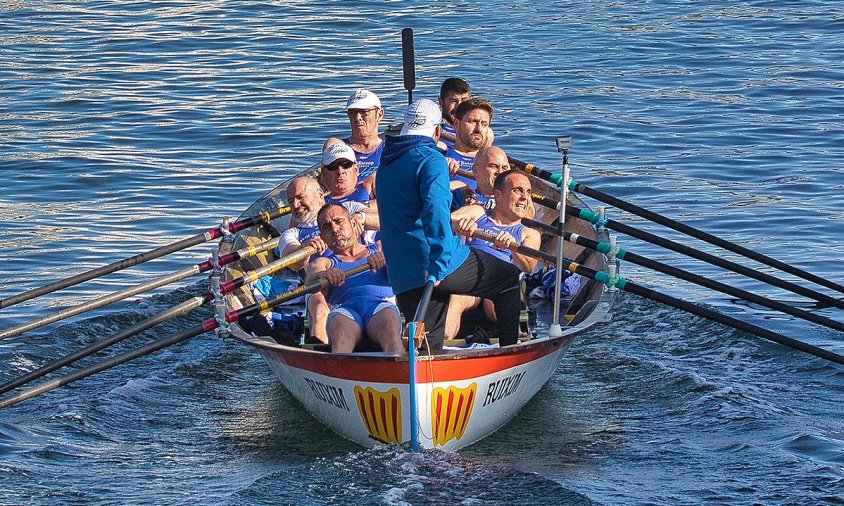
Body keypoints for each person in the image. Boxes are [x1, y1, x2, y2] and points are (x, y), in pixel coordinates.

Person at [376, 98, 522, 354]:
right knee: (508, 279)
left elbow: (409, 206)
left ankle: (424, 383)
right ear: (437, 131)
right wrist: (441, 260)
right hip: (437, 263)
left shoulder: (387, 164)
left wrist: (453, 199)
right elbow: (433, 209)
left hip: (402, 271)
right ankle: (510, 356)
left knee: (428, 350)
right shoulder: (432, 160)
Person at [445, 170, 542, 339]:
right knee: (457, 298)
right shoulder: (477, 213)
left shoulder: (529, 233)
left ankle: (516, 335)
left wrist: (514, 246)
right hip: (470, 277)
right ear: (498, 195)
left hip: (502, 281)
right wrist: (461, 223)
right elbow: (443, 221)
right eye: (517, 191)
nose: (524, 198)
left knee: (499, 299)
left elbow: (529, 266)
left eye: (528, 192)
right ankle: (441, 343)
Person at [304, 203, 403, 354]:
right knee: (340, 332)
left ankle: (399, 370)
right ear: (323, 237)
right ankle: (341, 372)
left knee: (389, 324)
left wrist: (389, 260)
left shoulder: (382, 248)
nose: (334, 229)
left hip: (381, 306)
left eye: (339, 221)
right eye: (327, 227)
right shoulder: (324, 263)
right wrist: (323, 275)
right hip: (345, 311)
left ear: (353, 223)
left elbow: (408, 263)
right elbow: (311, 278)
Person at [446, 98, 495, 190]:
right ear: (457, 124)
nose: (479, 129)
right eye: (473, 122)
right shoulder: (441, 158)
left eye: (484, 124)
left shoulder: (497, 163)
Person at [339, 89, 385, 181]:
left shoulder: (390, 149)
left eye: (364, 112)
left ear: (379, 115)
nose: (357, 118)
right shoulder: (339, 148)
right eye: (352, 113)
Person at [438, 78, 472, 147]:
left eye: (464, 100)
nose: (459, 106)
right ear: (441, 101)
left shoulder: (477, 127)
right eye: (453, 101)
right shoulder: (433, 126)